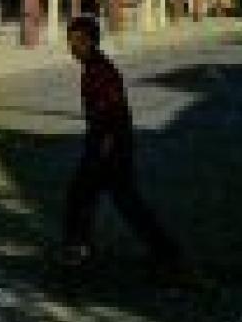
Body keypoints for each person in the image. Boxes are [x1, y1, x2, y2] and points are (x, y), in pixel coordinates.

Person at [58, 15, 188, 277]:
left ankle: (80, 249)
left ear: (93, 42)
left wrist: (103, 152)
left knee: (85, 197)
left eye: (79, 41)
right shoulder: (94, 67)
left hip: (109, 147)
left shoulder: (100, 71)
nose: (73, 47)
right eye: (70, 41)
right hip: (112, 145)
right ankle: (166, 253)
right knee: (118, 201)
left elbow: (114, 113)